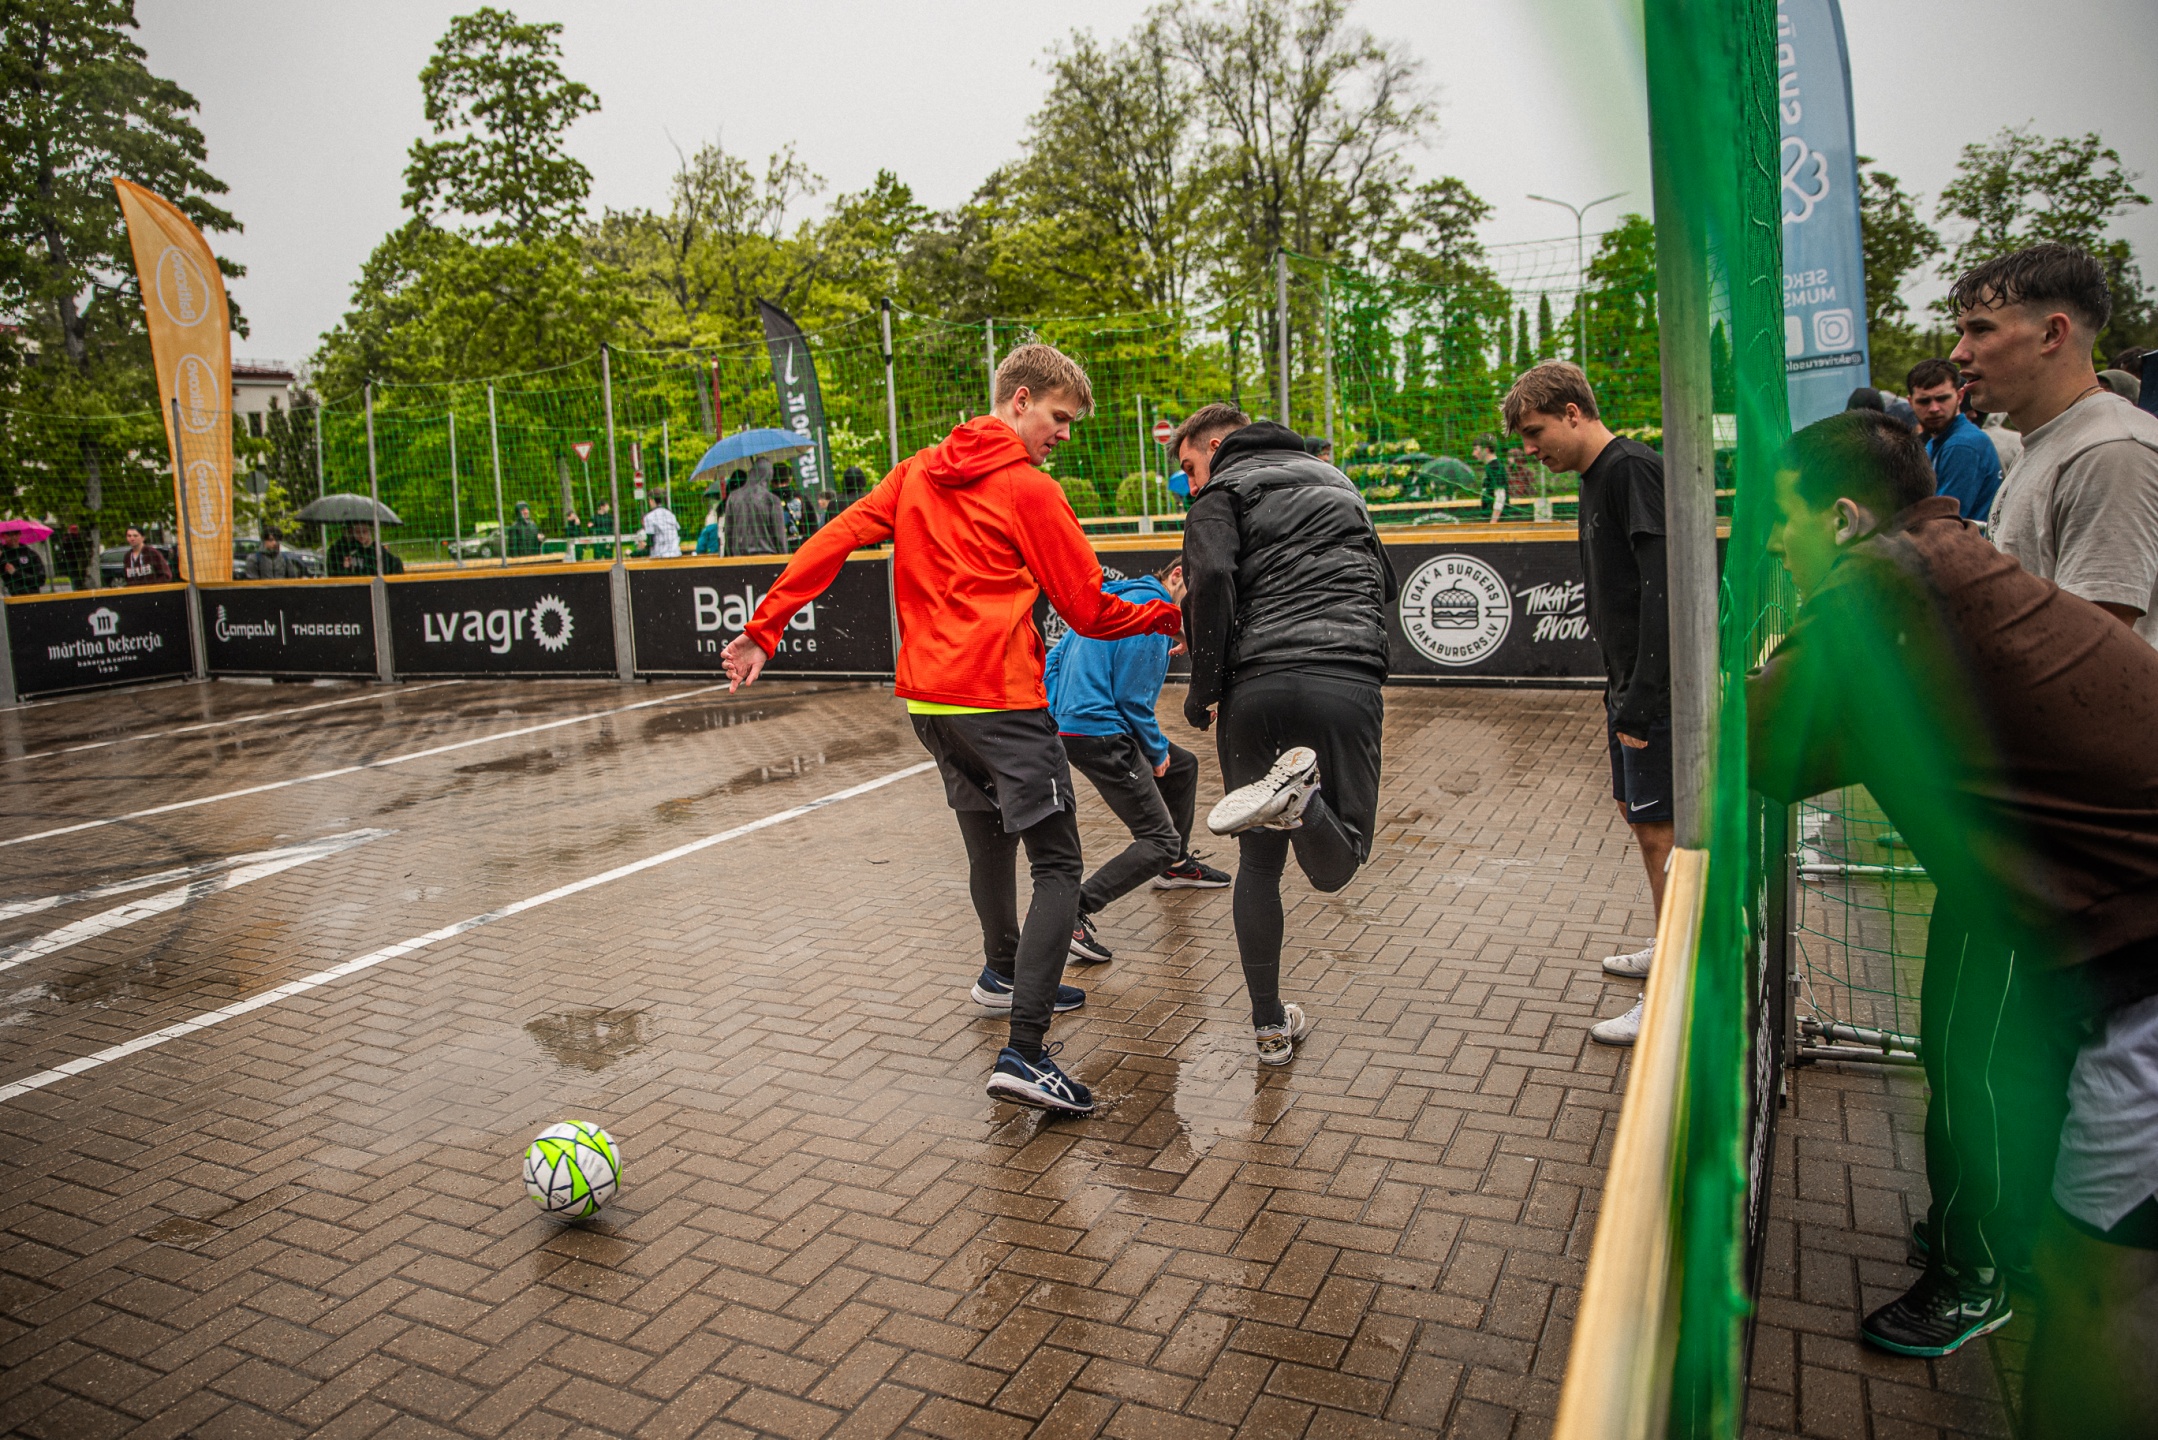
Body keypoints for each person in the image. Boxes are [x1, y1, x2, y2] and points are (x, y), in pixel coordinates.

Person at [1751, 408, 2158, 1381]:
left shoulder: (1890, 578)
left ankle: (1975, 1271)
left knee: (2093, 1271)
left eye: (1783, 518)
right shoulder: (1941, 555)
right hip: (2076, 901)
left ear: (1842, 519)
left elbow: (1758, 744)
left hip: (2111, 927)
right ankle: (1992, 1243)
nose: (1769, 544)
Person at [721, 344, 1182, 1115]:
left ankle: (1002, 973)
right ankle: (1026, 1054)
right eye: (1059, 417)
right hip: (1002, 702)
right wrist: (1167, 616)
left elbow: (833, 538)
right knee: (1059, 867)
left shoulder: (915, 472)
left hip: (933, 704)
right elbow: (1088, 609)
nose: (1064, 434)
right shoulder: (1029, 489)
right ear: (1020, 399)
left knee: (989, 841)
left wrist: (765, 627)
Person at [1177, 401, 1395, 1066]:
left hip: (1257, 687)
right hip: (1346, 677)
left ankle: (1269, 1029)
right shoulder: (1340, 483)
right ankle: (1305, 802)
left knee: (1258, 864)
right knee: (1337, 864)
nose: (1189, 482)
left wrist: (1204, 691)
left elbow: (1211, 580)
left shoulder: (1220, 492)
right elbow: (1385, 582)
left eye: (1189, 465)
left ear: (1217, 445)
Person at [1505, 362, 1671, 1046]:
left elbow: (1666, 587)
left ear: (1573, 412)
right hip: (1625, 683)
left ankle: (1677, 992)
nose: (1530, 450)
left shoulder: (1632, 470)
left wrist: (1643, 698)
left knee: (1664, 832)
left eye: (1536, 431)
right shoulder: (1594, 477)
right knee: (1640, 818)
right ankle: (1669, 943)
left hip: (1655, 692)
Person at [1953, 242, 2158, 645]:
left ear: (2051, 334)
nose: (1958, 353)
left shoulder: (2110, 450)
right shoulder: (2051, 441)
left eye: (1981, 330)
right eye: (1962, 333)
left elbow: (2090, 651)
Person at [1046, 560, 1230, 965]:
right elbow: (1133, 700)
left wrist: (1061, 715)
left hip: (1078, 726)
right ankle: (1072, 912)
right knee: (1158, 840)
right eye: (1195, 597)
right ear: (1177, 575)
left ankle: (1176, 867)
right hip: (1102, 732)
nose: (1195, 608)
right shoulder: (1151, 613)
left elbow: (1054, 660)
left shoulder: (1114, 599)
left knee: (1183, 766)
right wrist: (1156, 751)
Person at [1905, 358, 2004, 523]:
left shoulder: (1963, 445)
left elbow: (1943, 520)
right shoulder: (1937, 441)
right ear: (1910, 402)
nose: (1934, 408)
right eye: (1924, 401)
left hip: (1963, 538)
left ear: (1959, 396)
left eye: (1942, 398)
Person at [724, 457, 790, 557]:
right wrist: (784, 556)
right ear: (768, 476)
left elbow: (728, 533)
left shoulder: (733, 497)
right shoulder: (772, 500)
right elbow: (779, 535)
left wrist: (729, 557)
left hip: (739, 558)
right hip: (767, 557)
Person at [326, 521, 404, 577]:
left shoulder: (376, 550)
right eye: (357, 532)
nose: (361, 535)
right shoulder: (343, 549)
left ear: (370, 532)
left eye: (364, 532)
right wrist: (346, 567)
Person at [1473, 436, 1510, 521]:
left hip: (1498, 522)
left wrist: (1493, 521)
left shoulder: (1495, 467)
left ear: (1486, 450)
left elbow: (1500, 496)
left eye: (1476, 449)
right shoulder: (1490, 467)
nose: (1474, 453)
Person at [53, 524, 93, 590]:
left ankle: (76, 588)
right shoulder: (77, 538)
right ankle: (78, 587)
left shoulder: (67, 538)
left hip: (71, 560)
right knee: (77, 575)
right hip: (76, 560)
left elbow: (63, 548)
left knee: (74, 576)